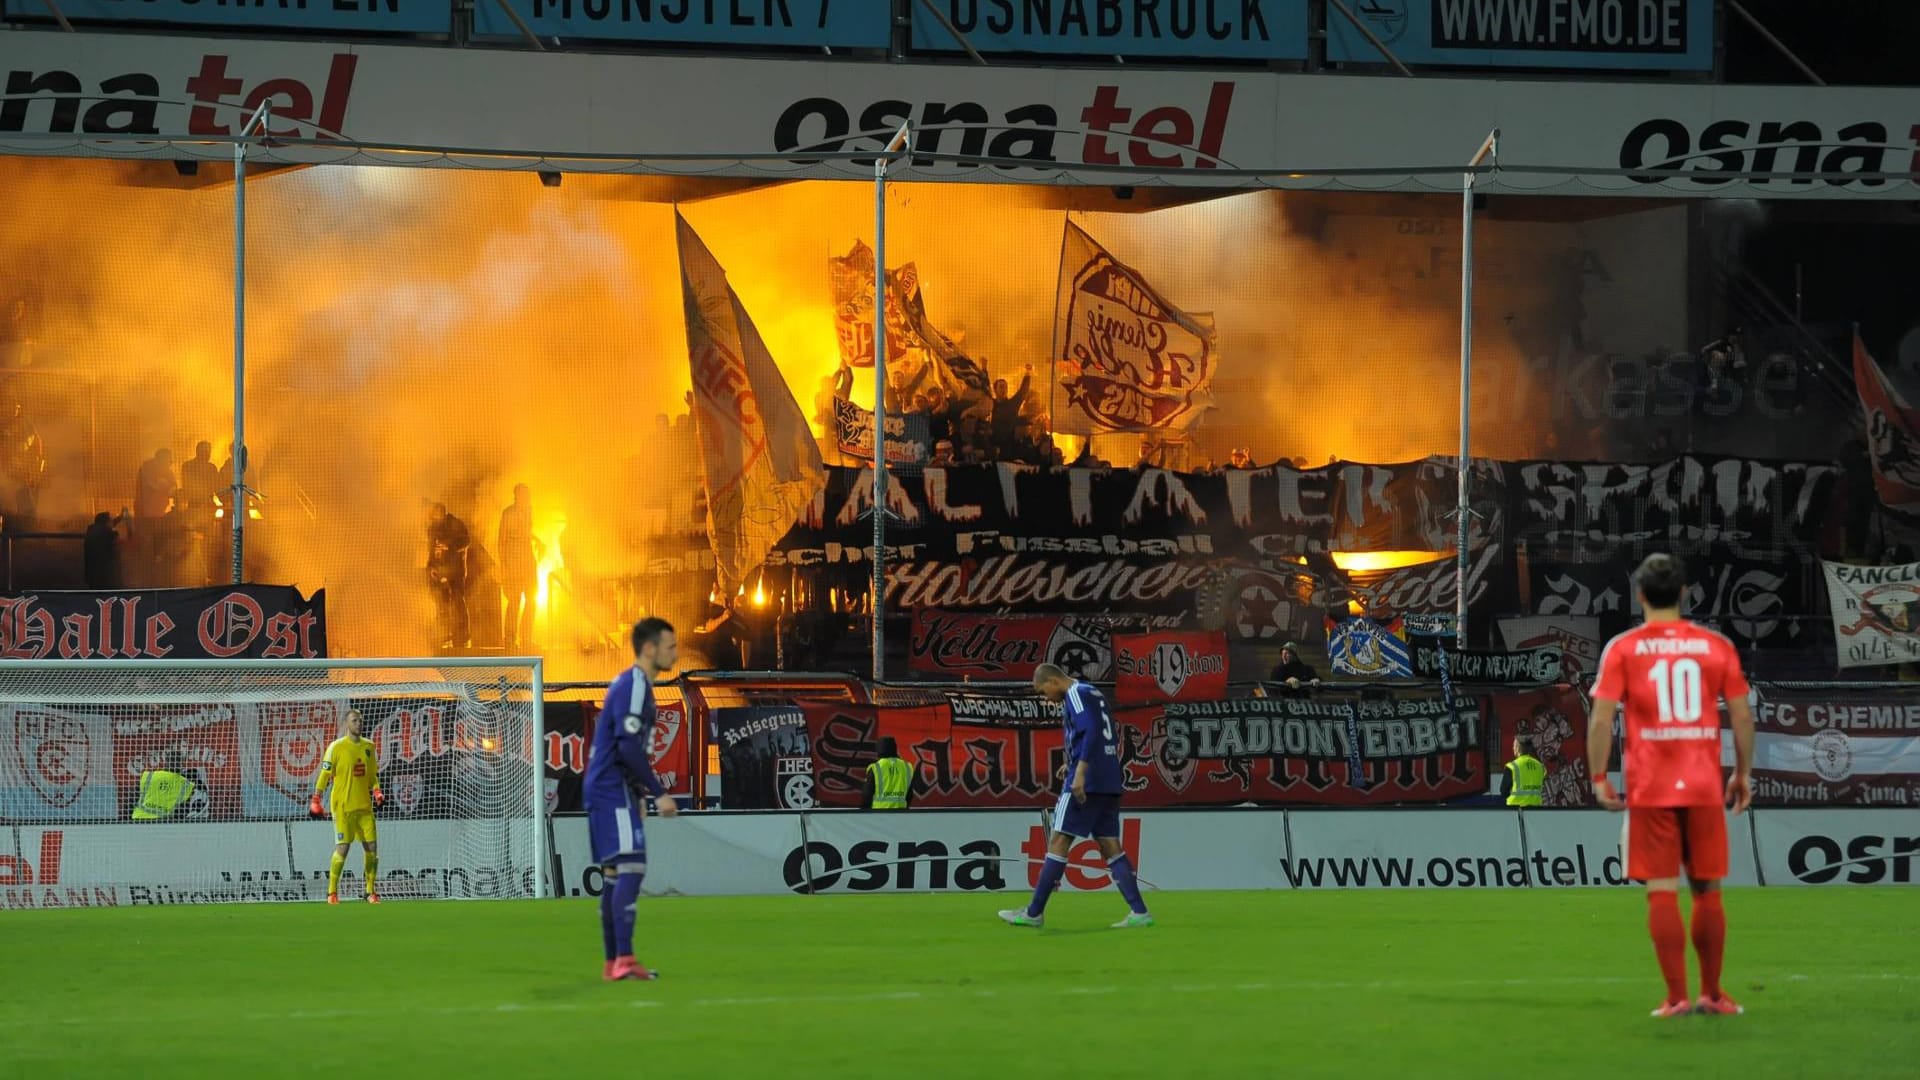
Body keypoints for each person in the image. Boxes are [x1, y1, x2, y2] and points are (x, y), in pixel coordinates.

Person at [1586, 553, 1754, 1019]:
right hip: (1702, 785)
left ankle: (1677, 998)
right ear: (1684, 593)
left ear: (1639, 594)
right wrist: (1742, 774)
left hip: (1651, 787)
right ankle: (1713, 994)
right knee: (1707, 891)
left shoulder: (1622, 648)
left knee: (1661, 890)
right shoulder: (1714, 645)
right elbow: (1741, 714)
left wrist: (1599, 777)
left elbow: (1601, 716)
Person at [1000, 663, 1152, 930]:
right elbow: (1103, 734)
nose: (1045, 697)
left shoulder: (1075, 694)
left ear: (1053, 681)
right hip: (1108, 779)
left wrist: (1079, 772)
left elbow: (1091, 730)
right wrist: (1073, 761)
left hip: (1088, 781)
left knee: (1058, 839)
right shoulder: (1093, 692)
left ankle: (1034, 913)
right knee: (1110, 846)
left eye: (1042, 690)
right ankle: (1139, 912)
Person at [584, 617, 681, 982]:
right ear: (650, 648)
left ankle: (614, 963)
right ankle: (624, 957)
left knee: (613, 874)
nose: (677, 653)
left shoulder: (631, 684)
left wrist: (637, 793)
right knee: (632, 867)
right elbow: (626, 744)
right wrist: (658, 793)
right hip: (611, 787)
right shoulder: (636, 684)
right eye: (671, 646)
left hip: (606, 786)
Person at [308, 709, 385, 905]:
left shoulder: (369, 746)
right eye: (354, 720)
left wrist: (377, 792)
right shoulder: (336, 747)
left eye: (360, 720)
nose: (359, 723)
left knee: (372, 850)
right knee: (343, 848)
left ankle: (370, 892)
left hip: (364, 807)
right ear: (346, 724)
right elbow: (325, 775)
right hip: (342, 807)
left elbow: (372, 775)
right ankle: (332, 892)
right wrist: (316, 799)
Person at [426, 503, 471, 649]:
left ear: (443, 513)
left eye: (437, 514)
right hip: (440, 571)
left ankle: (462, 637)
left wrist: (450, 546)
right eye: (434, 515)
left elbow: (466, 541)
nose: (435, 517)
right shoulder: (432, 529)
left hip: (456, 570)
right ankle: (444, 635)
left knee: (458, 602)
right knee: (441, 603)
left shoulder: (456, 524)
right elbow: (431, 550)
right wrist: (431, 567)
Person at [499, 484, 538, 650]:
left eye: (528, 494)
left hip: (528, 561)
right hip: (514, 562)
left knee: (532, 599)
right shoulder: (508, 513)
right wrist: (504, 565)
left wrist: (538, 541)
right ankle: (509, 639)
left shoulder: (529, 511)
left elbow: (526, 533)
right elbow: (502, 540)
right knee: (515, 600)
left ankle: (526, 638)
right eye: (524, 494)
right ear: (517, 495)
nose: (527, 497)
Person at [131, 752, 196, 821]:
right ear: (181, 764)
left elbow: (132, 799)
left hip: (139, 818)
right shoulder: (186, 784)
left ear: (166, 762)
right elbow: (183, 811)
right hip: (164, 822)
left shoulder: (149, 776)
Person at [861, 736, 913, 810]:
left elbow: (867, 794)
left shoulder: (875, 767)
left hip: (879, 814)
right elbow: (909, 794)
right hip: (901, 813)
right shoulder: (907, 767)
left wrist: (864, 812)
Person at [83, 512, 122, 589]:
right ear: (106, 522)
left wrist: (120, 517)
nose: (112, 522)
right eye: (110, 520)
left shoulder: (93, 530)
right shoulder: (107, 534)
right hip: (105, 576)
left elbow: (110, 524)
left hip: (92, 574)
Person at [1504, 735, 1546, 807]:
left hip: (1514, 810)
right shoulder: (1540, 766)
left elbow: (1503, 791)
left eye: (1514, 746)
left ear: (1518, 749)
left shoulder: (1512, 766)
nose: (1512, 748)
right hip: (1536, 809)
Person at [178, 441, 219, 514]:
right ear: (198, 451)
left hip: (207, 505)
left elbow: (216, 486)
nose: (208, 454)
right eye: (205, 451)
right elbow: (187, 485)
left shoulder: (212, 468)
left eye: (209, 452)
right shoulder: (188, 466)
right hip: (195, 504)